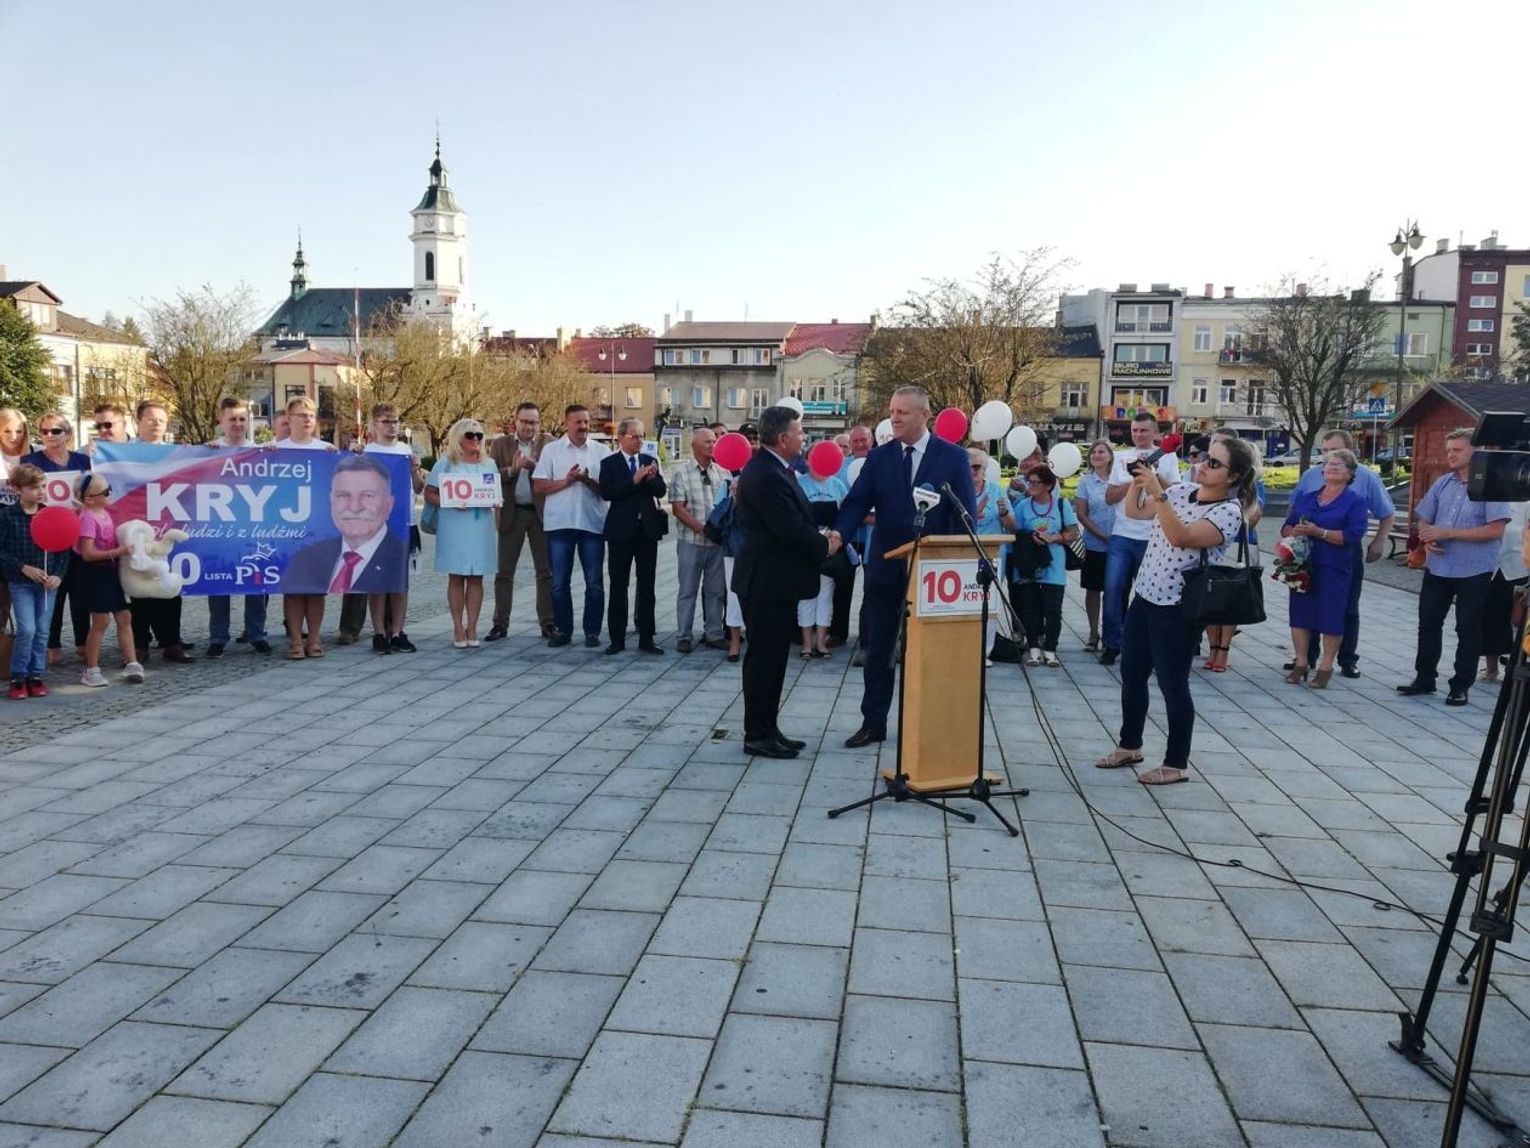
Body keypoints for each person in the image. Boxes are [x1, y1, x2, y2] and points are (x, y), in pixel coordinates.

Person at [1095, 436, 1257, 785]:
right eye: (1205, 457)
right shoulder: (1183, 491)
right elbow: (1135, 512)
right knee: (1132, 674)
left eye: (1214, 463)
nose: (1202, 464)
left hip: (1178, 608)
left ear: (1233, 476)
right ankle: (1130, 744)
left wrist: (1159, 492)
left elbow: (1181, 536)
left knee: (1173, 684)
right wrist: (1139, 481)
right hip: (1146, 597)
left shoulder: (1228, 513)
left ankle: (1176, 763)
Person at [833, 385, 976, 748]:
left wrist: (957, 560)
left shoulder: (952, 457)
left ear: (924, 415)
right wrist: (838, 535)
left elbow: (965, 517)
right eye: (892, 411)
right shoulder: (879, 457)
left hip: (933, 574)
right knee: (879, 650)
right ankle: (873, 723)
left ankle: (926, 724)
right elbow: (856, 502)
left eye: (903, 412)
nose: (894, 418)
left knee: (929, 653)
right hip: (885, 567)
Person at [732, 406, 837, 758]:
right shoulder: (766, 473)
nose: (803, 438)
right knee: (764, 662)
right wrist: (825, 544)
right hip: (765, 581)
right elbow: (788, 528)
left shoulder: (777, 469)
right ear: (782, 438)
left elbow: (799, 514)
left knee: (774, 661)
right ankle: (756, 735)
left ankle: (768, 728)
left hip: (775, 580)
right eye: (800, 432)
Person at [1398, 428, 1511, 706]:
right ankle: (1425, 677)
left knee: (1467, 627)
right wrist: (1427, 537)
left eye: (1457, 450)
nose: (1450, 455)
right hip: (1439, 566)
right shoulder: (1443, 482)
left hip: (1474, 568)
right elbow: (1425, 517)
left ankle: (1460, 685)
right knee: (1428, 622)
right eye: (1448, 449)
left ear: (1475, 451)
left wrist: (1448, 533)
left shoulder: (1490, 485)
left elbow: (1496, 530)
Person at [1284, 428, 1395, 677]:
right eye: (1324, 451)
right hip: (1308, 554)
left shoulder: (1366, 477)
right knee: (1307, 605)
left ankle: (1346, 659)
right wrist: (1289, 535)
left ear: (1350, 450)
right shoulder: (1311, 476)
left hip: (1342, 554)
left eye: (1334, 451)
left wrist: (1379, 541)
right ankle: (1306, 658)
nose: (1328, 457)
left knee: (1346, 607)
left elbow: (1385, 512)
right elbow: (1294, 508)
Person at [1280, 450, 1368, 689]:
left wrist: (1320, 532)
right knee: (1300, 614)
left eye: (1339, 465)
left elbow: (1353, 535)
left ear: (1350, 473)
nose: (1332, 467)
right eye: (1328, 464)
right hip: (1302, 564)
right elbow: (1287, 525)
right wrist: (1292, 531)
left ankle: (1326, 667)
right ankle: (1301, 662)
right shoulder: (1307, 497)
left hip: (1334, 567)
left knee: (1331, 615)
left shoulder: (1355, 501)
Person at [1100, 411, 1180, 665]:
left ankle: (1144, 645)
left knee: (1149, 594)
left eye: (1144, 430)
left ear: (1155, 432)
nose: (1138, 435)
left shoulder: (1167, 457)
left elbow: (1176, 493)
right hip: (1122, 535)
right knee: (1113, 590)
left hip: (1153, 537)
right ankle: (1111, 643)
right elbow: (1109, 498)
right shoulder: (1122, 457)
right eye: (1134, 430)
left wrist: (1153, 476)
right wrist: (1133, 478)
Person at [533, 405, 611, 648]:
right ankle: (563, 630)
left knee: (594, 583)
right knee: (559, 583)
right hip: (560, 523)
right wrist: (567, 481)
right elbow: (539, 486)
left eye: (586, 422)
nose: (583, 426)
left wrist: (586, 480)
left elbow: (608, 490)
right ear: (567, 423)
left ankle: (592, 632)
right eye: (578, 422)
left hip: (591, 524)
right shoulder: (552, 450)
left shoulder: (602, 451)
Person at [124, 400, 194, 664]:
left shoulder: (176, 453)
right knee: (139, 590)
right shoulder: (123, 453)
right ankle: (139, 645)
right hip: (137, 530)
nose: (156, 424)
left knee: (169, 586)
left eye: (161, 420)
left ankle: (171, 643)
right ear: (139, 421)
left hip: (167, 529)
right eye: (151, 418)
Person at [22, 412, 91, 665]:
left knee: (80, 591)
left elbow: (92, 491)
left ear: (68, 434)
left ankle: (83, 642)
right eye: (44, 431)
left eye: (56, 431)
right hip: (46, 535)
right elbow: (25, 495)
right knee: (53, 592)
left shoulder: (83, 460)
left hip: (78, 532)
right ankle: (53, 645)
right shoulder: (30, 461)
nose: (50, 435)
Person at [205, 397, 271, 657]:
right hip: (218, 529)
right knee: (217, 584)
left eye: (242, 419)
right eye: (232, 418)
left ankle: (256, 634)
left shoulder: (260, 451)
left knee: (255, 582)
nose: (238, 423)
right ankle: (218, 637)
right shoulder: (209, 451)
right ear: (221, 420)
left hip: (252, 528)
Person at [271, 396, 337, 659]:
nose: (308, 420)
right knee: (294, 589)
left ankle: (315, 638)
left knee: (316, 590)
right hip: (287, 531)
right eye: (302, 415)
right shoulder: (275, 449)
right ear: (289, 419)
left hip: (319, 530)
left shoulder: (326, 450)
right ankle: (296, 640)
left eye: (311, 415)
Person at [426, 418, 498, 648]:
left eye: (479, 435)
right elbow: (429, 493)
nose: (475, 439)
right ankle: (458, 626)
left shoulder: (489, 464)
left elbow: (494, 492)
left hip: (480, 525)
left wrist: (496, 502)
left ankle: (473, 626)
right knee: (456, 576)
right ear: (458, 438)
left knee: (477, 576)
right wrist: (449, 502)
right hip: (454, 525)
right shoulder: (446, 463)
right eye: (470, 435)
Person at [598, 418, 667, 655]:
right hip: (620, 532)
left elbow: (661, 491)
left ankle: (647, 637)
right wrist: (634, 480)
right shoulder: (609, 463)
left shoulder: (649, 460)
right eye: (634, 436)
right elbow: (607, 493)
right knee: (619, 586)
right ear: (621, 438)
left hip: (646, 531)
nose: (639, 441)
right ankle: (617, 638)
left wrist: (652, 478)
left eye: (642, 436)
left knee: (647, 586)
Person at [486, 402, 554, 642]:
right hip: (512, 513)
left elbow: (556, 474)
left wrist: (537, 468)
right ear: (515, 421)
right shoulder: (500, 444)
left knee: (545, 572)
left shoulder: (549, 443)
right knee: (504, 572)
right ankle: (500, 624)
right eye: (524, 421)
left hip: (541, 513)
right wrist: (513, 470)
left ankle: (548, 623)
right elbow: (489, 477)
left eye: (534, 422)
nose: (529, 427)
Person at [360, 404, 423, 654]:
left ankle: (397, 631)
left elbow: (418, 487)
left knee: (400, 582)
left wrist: (415, 469)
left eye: (395, 421)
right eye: (386, 421)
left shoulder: (405, 450)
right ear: (375, 424)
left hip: (404, 522)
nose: (392, 426)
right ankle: (379, 632)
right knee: (377, 582)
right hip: (374, 525)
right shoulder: (367, 452)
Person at [1203, 427, 1266, 672]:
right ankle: (1212, 646)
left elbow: (1254, 516)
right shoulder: (1206, 475)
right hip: (1211, 543)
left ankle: (1223, 649)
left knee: (1230, 598)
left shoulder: (1251, 481)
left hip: (1239, 545)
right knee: (1209, 595)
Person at [74, 472, 144, 687]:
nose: (110, 493)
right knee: (101, 621)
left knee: (124, 616)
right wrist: (118, 551)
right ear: (89, 499)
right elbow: (87, 554)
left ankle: (132, 662)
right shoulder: (87, 518)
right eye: (105, 491)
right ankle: (91, 669)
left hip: (109, 571)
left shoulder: (103, 513)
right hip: (94, 573)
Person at [1010, 464, 1079, 667]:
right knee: (1030, 608)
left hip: (1054, 563)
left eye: (1036, 482)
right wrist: (1031, 536)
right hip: (1029, 563)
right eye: (1029, 482)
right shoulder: (1023, 506)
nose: (1031, 486)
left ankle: (1050, 650)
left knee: (1053, 610)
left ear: (1048, 485)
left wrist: (1054, 537)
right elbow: (1015, 532)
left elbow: (1073, 532)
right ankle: (1033, 649)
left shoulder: (1061, 504)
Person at [668, 427, 729, 653]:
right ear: (694, 445)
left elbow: (728, 505)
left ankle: (714, 634)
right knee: (687, 590)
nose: (713, 445)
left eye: (714, 441)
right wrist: (702, 529)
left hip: (717, 544)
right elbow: (678, 508)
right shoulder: (681, 473)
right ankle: (684, 635)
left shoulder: (724, 473)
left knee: (716, 591)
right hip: (691, 541)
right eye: (707, 442)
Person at [1, 464, 59, 699]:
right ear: (17, 489)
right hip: (20, 582)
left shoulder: (50, 515)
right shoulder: (7, 516)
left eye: (43, 486)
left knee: (43, 630)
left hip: (47, 584)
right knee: (27, 629)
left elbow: (62, 550)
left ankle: (36, 675)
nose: (40, 491)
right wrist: (23, 567)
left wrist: (58, 575)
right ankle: (18, 676)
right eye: (34, 487)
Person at [796, 461, 848, 660]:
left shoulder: (837, 485)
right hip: (805, 547)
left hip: (830, 548)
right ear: (808, 460)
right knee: (806, 596)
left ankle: (821, 643)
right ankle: (806, 644)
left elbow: (844, 516)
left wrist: (835, 538)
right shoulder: (799, 483)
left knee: (825, 596)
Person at [830, 425, 874, 653]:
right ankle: (838, 633)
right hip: (846, 537)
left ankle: (866, 636)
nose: (859, 444)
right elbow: (838, 500)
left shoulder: (877, 464)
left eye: (863, 440)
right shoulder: (841, 467)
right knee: (842, 584)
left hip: (872, 537)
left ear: (871, 440)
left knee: (871, 586)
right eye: (855, 441)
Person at [968, 448, 1015, 663]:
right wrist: (974, 514)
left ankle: (984, 652)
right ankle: (966, 647)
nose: (972, 470)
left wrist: (1004, 513)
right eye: (968, 466)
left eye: (977, 466)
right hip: (964, 555)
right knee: (967, 601)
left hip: (993, 555)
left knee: (990, 602)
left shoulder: (996, 490)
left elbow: (1012, 527)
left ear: (984, 469)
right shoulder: (957, 489)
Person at [1072, 439, 1116, 653]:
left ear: (1110, 456)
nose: (1097, 455)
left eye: (1101, 452)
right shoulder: (1086, 481)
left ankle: (1112, 633)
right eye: (1093, 452)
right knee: (1093, 589)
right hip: (1094, 544)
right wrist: (1101, 536)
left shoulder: (1119, 479)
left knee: (1115, 590)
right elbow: (1081, 513)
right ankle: (1093, 632)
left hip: (1119, 543)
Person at [1479, 501, 1530, 683]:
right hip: (1492, 565)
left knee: (1521, 621)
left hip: (1519, 567)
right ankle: (1491, 668)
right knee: (1492, 617)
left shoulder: (1526, 502)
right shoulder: (1493, 499)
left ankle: (1519, 668)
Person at [0, 407, 32, 673]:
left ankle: (25, 658)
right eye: (7, 430)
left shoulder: (34, 457)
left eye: (19, 431)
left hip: (26, 537)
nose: (14, 436)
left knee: (22, 601)